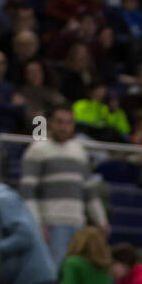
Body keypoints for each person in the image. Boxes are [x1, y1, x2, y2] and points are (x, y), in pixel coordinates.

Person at [19, 105, 109, 268]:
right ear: (50, 123)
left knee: (75, 274)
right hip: (51, 223)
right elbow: (28, 192)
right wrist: (37, 224)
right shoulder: (37, 150)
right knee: (54, 272)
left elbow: (89, 190)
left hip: (77, 222)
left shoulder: (79, 151)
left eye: (68, 123)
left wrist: (101, 220)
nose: (64, 127)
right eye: (59, 122)